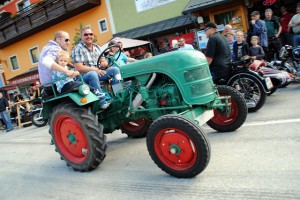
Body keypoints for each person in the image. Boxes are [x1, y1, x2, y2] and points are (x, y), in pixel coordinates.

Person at [72, 27, 121, 109]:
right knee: (92, 74)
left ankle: (118, 94)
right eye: (86, 34)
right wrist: (95, 69)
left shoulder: (97, 47)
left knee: (115, 70)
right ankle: (102, 102)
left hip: (97, 72)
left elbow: (102, 60)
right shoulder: (78, 48)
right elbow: (79, 67)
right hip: (83, 77)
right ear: (82, 37)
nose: (89, 36)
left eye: (91, 34)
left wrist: (104, 63)